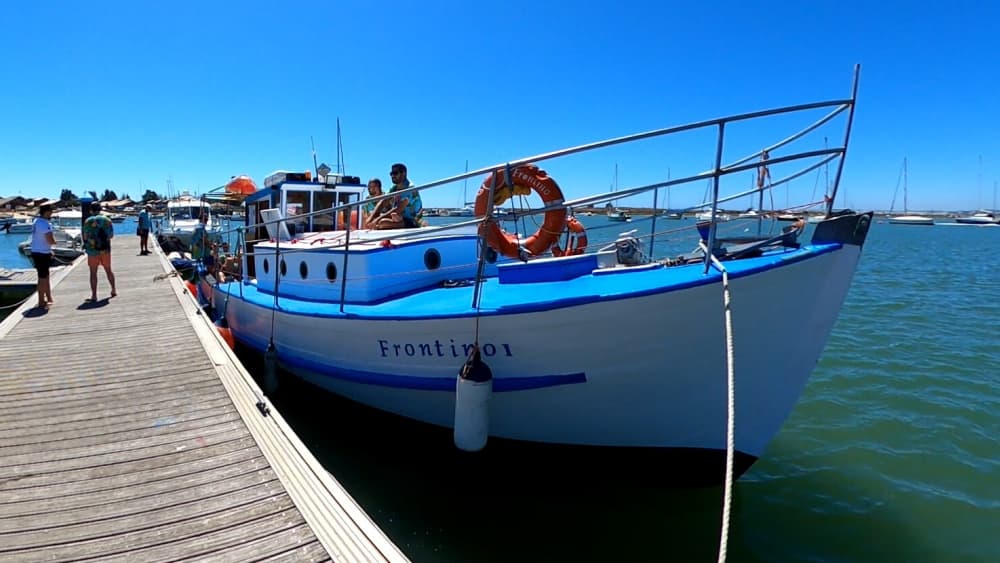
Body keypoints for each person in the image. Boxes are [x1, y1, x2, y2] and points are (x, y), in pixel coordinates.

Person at [82, 201, 116, 301]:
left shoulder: (88, 221)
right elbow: (111, 235)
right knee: (108, 270)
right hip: (105, 250)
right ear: (100, 209)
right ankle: (113, 290)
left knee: (93, 273)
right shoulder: (107, 220)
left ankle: (94, 295)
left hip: (92, 251)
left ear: (91, 210)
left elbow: (85, 237)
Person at [30, 203, 56, 308]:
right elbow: (50, 239)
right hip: (41, 254)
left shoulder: (37, 221)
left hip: (40, 251)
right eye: (51, 211)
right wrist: (54, 242)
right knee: (42, 278)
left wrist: (50, 250)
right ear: (46, 212)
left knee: (45, 276)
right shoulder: (43, 224)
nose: (51, 213)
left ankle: (49, 297)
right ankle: (41, 300)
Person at [384, 163, 423, 228]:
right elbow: (383, 201)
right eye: (391, 174)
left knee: (383, 222)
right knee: (380, 220)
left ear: (404, 173)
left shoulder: (410, 188)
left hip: (412, 221)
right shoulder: (394, 187)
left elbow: (398, 209)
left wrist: (376, 219)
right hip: (398, 217)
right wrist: (373, 217)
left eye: (395, 173)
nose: (392, 176)